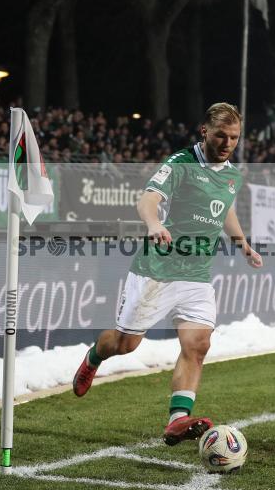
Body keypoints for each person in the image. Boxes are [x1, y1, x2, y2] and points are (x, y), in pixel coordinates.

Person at [71, 103, 263, 446]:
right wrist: (154, 223)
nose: (228, 143)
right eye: (221, 135)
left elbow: (225, 210)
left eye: (234, 137)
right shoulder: (180, 163)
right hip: (157, 270)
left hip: (196, 275)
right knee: (125, 344)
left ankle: (178, 420)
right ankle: (94, 357)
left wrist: (243, 244)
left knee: (198, 344)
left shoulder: (232, 175)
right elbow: (147, 200)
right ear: (204, 131)